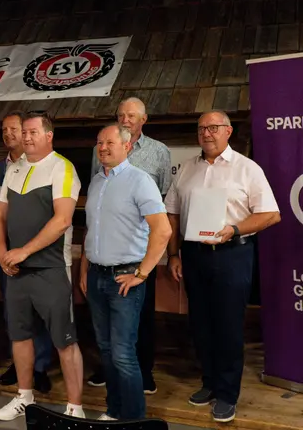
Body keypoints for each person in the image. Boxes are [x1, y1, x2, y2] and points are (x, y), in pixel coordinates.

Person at [165, 111, 280, 423]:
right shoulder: (186, 169)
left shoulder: (247, 168)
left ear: (228, 131)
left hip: (232, 253)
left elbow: (271, 214)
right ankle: (210, 383)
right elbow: (172, 213)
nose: (207, 133)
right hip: (193, 254)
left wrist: (235, 229)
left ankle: (227, 394)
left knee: (228, 326)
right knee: (201, 323)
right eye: (202, 128)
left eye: (214, 127)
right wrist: (173, 254)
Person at [0, 112, 85, 420]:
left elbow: (63, 220)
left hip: (51, 270)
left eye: (33, 132)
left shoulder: (62, 167)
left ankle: (75, 408)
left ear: (49, 136)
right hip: (16, 271)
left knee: (65, 341)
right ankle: (24, 396)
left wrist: (23, 251)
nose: (27, 136)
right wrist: (3, 253)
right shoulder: (14, 169)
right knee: (19, 336)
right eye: (24, 132)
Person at [80, 124, 171, 421]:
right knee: (106, 350)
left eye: (110, 142)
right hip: (96, 276)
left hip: (124, 280)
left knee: (122, 354)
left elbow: (163, 230)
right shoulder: (96, 181)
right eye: (99, 143)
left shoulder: (140, 181)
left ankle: (133, 420)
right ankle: (114, 410)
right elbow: (92, 231)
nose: (103, 147)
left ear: (127, 146)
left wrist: (142, 274)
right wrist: (84, 270)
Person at [0, 111, 53, 394]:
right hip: (7, 253)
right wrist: (1, 251)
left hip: (37, 252)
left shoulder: (47, 166)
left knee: (39, 311)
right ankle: (19, 365)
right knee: (13, 312)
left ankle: (40, 367)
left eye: (14, 129)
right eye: (4, 130)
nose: (9, 134)